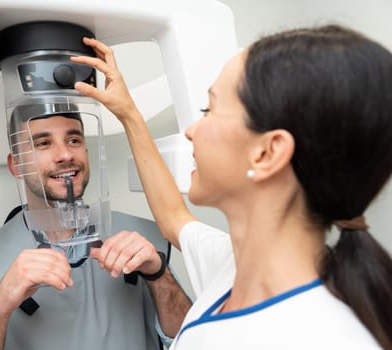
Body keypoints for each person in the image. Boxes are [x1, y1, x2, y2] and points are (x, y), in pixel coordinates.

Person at [72, 25, 392, 349]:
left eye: (208, 111)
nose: (191, 130)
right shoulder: (234, 267)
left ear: (267, 152)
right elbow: (173, 219)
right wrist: (128, 113)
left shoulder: (320, 337)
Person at [0, 111, 192, 349]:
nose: (65, 155)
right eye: (43, 143)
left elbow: (194, 341)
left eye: (74, 140)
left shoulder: (144, 243)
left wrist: (159, 274)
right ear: (15, 165)